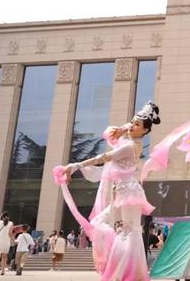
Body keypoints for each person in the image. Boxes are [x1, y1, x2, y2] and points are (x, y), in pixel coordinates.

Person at [58, 101, 161, 279]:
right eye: (132, 122)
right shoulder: (128, 140)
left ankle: (129, 274)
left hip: (129, 191)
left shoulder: (130, 146)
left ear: (144, 131)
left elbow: (104, 157)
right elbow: (113, 135)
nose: (132, 126)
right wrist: (128, 125)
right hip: (120, 191)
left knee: (130, 231)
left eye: (137, 124)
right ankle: (121, 269)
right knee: (102, 223)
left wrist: (76, 165)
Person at [0, 212, 14, 276]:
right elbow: (10, 233)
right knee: (4, 257)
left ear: (2, 217)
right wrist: (14, 240)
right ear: (8, 217)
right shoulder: (11, 223)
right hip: (6, 241)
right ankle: (3, 271)